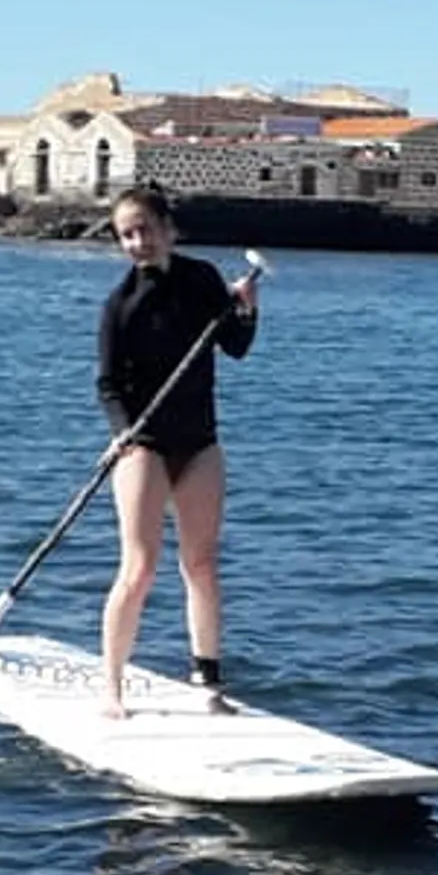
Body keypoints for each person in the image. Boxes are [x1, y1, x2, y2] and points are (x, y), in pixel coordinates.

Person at [92, 183, 258, 716]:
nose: (137, 242)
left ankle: (207, 681)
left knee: (202, 565)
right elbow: (108, 384)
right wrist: (121, 432)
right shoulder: (119, 306)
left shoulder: (203, 279)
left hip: (200, 443)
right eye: (126, 234)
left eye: (144, 229)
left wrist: (247, 311)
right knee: (139, 568)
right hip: (142, 445)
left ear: (169, 230)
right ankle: (111, 688)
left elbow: (235, 347)